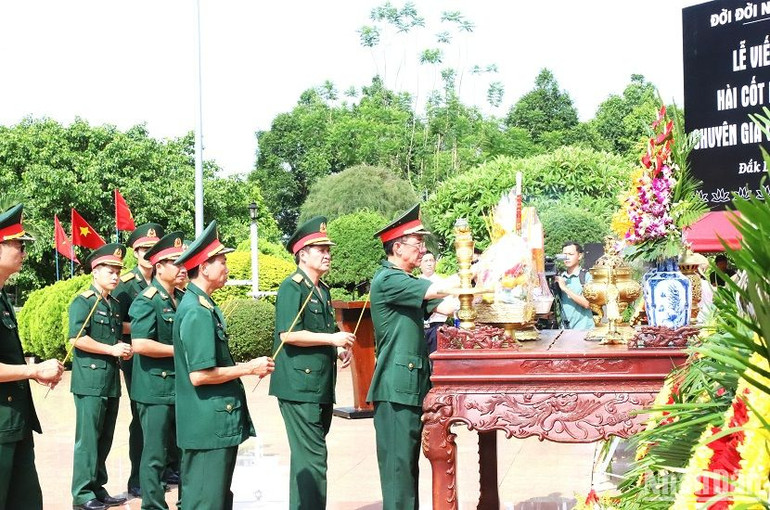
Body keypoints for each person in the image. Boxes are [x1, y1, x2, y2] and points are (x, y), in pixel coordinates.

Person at [172, 221, 274, 509]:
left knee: (213, 498)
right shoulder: (196, 311)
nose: (227, 267)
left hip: (211, 424)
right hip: (207, 427)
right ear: (204, 267)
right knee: (206, 501)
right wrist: (248, 367)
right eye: (222, 261)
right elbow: (200, 375)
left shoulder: (201, 305)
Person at [367, 204, 456, 510]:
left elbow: (446, 307)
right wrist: (474, 273)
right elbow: (437, 289)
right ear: (397, 247)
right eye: (417, 243)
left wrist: (484, 292)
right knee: (398, 471)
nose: (421, 249)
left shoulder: (407, 283)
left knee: (408, 467)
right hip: (394, 387)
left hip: (410, 386)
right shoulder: (389, 279)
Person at [269, 216, 355, 509]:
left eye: (328, 248)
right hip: (298, 387)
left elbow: (324, 330)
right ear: (302, 254)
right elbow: (288, 334)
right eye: (320, 249)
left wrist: (339, 347)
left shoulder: (322, 289)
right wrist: (332, 341)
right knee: (315, 459)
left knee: (306, 459)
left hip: (317, 385)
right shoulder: (293, 287)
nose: (327, 254)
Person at [0, 204, 64, 510]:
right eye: (17, 244)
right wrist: (31, 372)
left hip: (14, 423)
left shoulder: (3, 297)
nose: (23, 251)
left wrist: (33, 370)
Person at [70, 243, 132, 510]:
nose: (116, 276)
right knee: (88, 439)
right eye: (110, 271)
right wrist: (111, 348)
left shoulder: (114, 304)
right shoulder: (84, 301)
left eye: (118, 271)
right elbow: (76, 338)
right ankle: (83, 494)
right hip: (89, 381)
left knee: (104, 437)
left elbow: (116, 335)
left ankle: (98, 487)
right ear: (95, 272)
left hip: (109, 381)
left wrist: (124, 350)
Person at [129, 231, 187, 510]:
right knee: (154, 453)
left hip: (181, 386)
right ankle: (152, 505)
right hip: (154, 388)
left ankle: (186, 500)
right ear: (159, 267)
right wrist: (180, 351)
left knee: (184, 448)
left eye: (183, 261)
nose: (182, 267)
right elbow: (139, 343)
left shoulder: (184, 297)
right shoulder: (147, 299)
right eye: (175, 262)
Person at [114, 222, 166, 497]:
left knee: (166, 413)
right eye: (144, 249)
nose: (149, 253)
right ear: (135, 252)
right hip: (136, 357)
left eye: (153, 249)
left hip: (162, 357)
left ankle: (164, 468)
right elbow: (116, 323)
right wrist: (148, 326)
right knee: (142, 416)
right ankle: (137, 477)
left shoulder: (164, 281)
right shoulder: (125, 285)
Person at [555, 241, 594, 330]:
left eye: (571, 254)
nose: (567, 257)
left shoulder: (587, 276)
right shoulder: (560, 277)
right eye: (564, 254)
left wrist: (565, 288)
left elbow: (587, 303)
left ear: (579, 256)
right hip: (564, 330)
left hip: (584, 330)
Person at [419, 251, 451, 355]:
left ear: (435, 263)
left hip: (437, 327)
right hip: (419, 328)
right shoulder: (416, 282)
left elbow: (449, 307)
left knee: (436, 360)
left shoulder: (443, 283)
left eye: (431, 260)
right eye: (426, 261)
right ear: (420, 264)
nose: (429, 263)